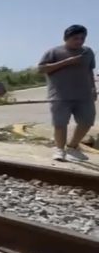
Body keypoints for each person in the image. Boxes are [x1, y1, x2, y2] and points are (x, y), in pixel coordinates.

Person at [38, 24, 96, 161]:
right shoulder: (54, 52)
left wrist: (94, 88)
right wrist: (67, 62)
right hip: (60, 95)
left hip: (84, 95)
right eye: (75, 38)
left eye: (82, 38)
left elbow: (90, 71)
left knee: (87, 121)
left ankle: (72, 147)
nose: (79, 41)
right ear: (66, 38)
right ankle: (59, 150)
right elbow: (41, 69)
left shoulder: (88, 52)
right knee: (60, 124)